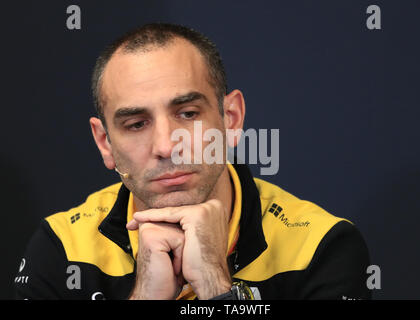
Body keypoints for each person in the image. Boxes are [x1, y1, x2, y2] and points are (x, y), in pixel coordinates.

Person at [13, 23, 370, 300]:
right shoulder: (62, 248)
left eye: (187, 113)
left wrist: (216, 286)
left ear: (230, 119)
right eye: (136, 124)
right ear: (105, 143)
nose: (167, 146)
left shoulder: (322, 247)